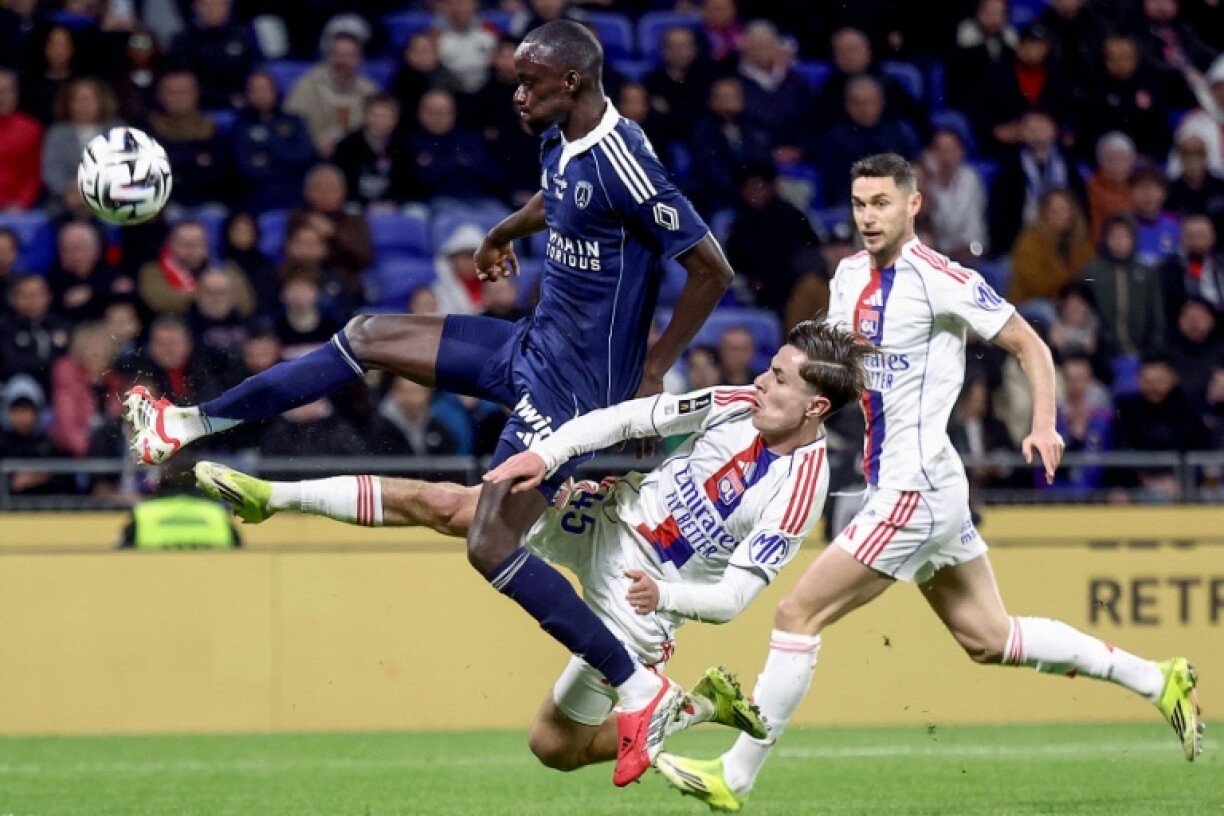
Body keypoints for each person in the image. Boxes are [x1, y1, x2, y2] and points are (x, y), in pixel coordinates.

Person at [123, 20, 734, 788]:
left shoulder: (626, 159)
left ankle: (641, 690)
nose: (516, 94)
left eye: (529, 82)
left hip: (578, 395)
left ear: (571, 82)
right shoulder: (560, 140)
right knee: (369, 334)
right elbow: (558, 200)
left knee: (487, 542)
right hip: (530, 348)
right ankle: (185, 424)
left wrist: (650, 372)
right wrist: (501, 232)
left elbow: (712, 267)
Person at [656, 153, 1203, 813]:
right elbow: (830, 373)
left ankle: (734, 778)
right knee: (988, 637)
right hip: (924, 481)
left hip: (912, 487)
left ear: (913, 205)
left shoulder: (942, 279)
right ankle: (1156, 678)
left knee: (797, 613)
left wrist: (1046, 423)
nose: (867, 217)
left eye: (881, 203)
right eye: (859, 204)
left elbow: (1031, 344)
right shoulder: (848, 276)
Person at [193, 321, 867, 777]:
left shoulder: (800, 491)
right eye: (771, 368)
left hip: (645, 597)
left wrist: (664, 596)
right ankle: (273, 496)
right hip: (603, 514)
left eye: (781, 380)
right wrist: (548, 455)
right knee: (454, 507)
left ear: (814, 408)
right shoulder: (732, 401)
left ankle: (694, 707)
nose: (762, 383)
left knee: (552, 747)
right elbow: (629, 417)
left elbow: (734, 599)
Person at [117, 455, 240, 550]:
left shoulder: (143, 514)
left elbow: (119, 559)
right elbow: (241, 556)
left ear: (161, 483)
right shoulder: (218, 514)